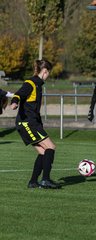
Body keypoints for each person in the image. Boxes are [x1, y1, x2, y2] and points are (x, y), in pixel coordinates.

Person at [10, 59, 61, 189]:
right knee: (51, 147)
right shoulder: (31, 83)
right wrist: (14, 102)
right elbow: (19, 94)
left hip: (31, 123)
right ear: (45, 71)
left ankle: (33, 181)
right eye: (48, 72)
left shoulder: (38, 85)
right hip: (27, 123)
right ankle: (45, 179)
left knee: (43, 152)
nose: (48, 75)